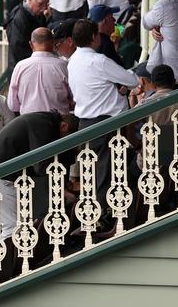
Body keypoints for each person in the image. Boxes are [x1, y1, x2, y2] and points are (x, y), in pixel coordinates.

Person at [67, 19, 139, 211]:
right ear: (93, 37)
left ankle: (95, 218)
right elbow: (132, 80)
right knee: (105, 178)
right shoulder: (99, 61)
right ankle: (103, 220)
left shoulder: (73, 61)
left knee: (92, 176)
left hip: (85, 124)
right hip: (105, 126)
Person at [0, 111, 74, 239]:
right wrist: (62, 189)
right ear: (64, 127)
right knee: (12, 226)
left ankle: (15, 256)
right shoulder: (43, 124)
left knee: (20, 222)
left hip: (0, 171)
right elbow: (41, 164)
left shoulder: (45, 121)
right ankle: (7, 258)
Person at [8, 27, 73, 115]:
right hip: (59, 123)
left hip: (29, 121)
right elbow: (74, 99)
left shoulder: (20, 67)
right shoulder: (64, 66)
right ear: (53, 43)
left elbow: (12, 105)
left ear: (31, 44)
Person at [5, 0, 49, 75]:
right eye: (40, 4)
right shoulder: (18, 19)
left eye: (46, 4)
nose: (44, 8)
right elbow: (18, 50)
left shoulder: (37, 14)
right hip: (22, 71)